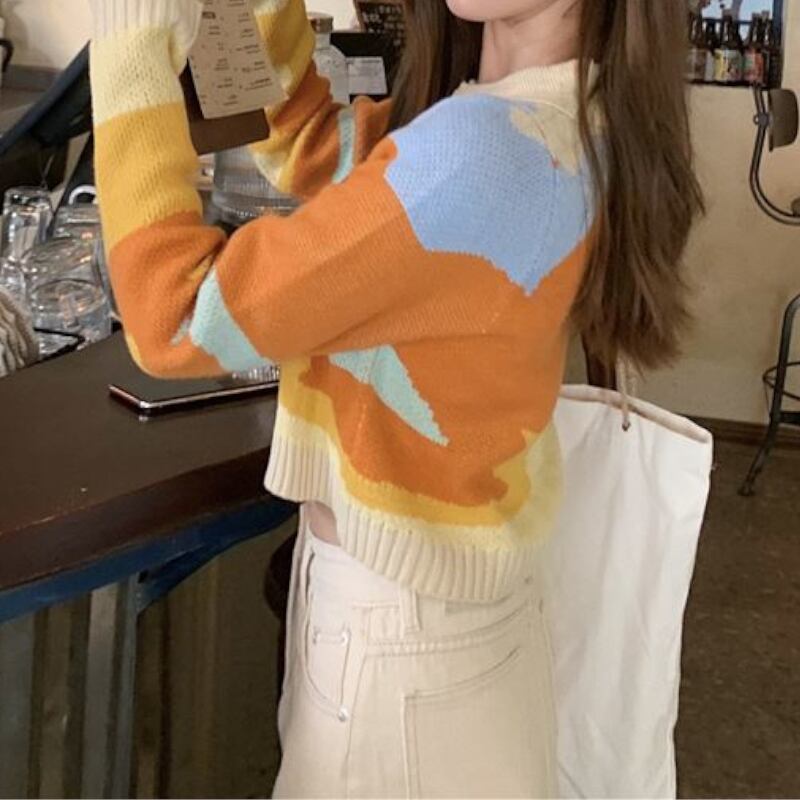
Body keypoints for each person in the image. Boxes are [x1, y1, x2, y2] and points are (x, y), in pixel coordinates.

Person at [87, 0, 702, 795]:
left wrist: (128, 51)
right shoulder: (549, 116)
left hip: (399, 654)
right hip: (441, 638)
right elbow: (312, 148)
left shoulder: (482, 152)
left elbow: (174, 318)